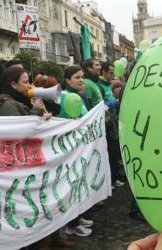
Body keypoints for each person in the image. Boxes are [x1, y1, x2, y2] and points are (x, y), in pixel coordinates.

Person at [59, 66, 93, 237]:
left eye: (82, 76)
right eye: (76, 77)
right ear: (67, 80)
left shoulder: (79, 96)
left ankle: (77, 218)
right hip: (71, 149)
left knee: (80, 183)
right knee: (72, 185)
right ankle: (71, 224)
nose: (81, 80)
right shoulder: (65, 97)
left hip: (81, 147)